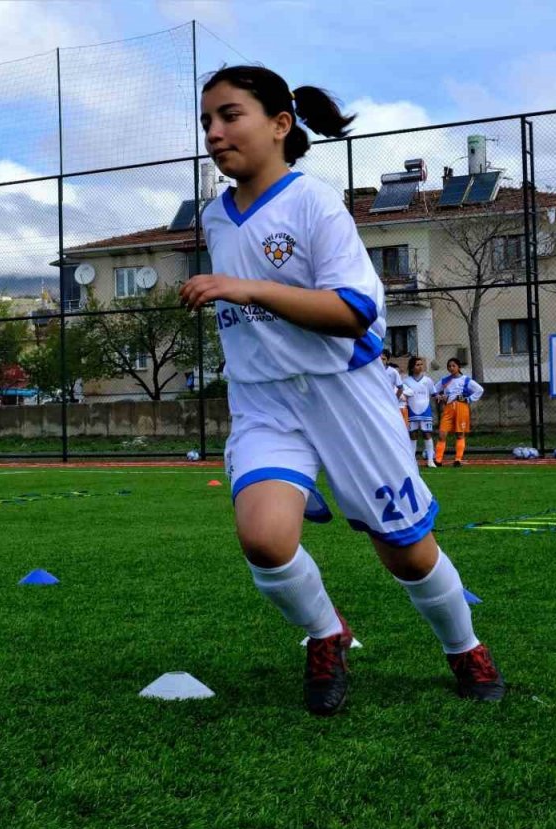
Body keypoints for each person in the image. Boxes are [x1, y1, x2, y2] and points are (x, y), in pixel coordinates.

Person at [179, 65, 504, 715]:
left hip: (345, 394)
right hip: (263, 401)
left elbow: (354, 311)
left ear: (280, 124)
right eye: (207, 121)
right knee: (264, 539)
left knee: (406, 553)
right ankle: (326, 634)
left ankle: (464, 646)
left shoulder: (314, 203)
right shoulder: (215, 217)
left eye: (230, 116)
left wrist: (246, 288)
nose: (214, 132)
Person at [434, 357, 483, 468]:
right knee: (442, 434)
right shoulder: (445, 380)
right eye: (449, 366)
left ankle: (458, 460)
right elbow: (433, 390)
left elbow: (480, 390)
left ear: (458, 367)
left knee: (460, 434)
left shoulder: (466, 380)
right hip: (448, 408)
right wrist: (439, 397)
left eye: (453, 366)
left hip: (461, 407)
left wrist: (468, 399)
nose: (451, 368)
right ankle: (438, 460)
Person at [404, 356, 438, 468]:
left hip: (425, 411)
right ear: (412, 367)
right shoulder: (406, 381)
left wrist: (439, 397)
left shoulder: (427, 380)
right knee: (413, 435)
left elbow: (434, 393)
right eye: (417, 365)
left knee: (427, 434)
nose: (420, 367)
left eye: (421, 364)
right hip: (412, 411)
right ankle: (412, 461)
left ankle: (430, 460)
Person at [380, 350, 408, 427]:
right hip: (377, 400)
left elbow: (400, 388)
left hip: (388, 402)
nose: (381, 361)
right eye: (379, 359)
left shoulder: (393, 372)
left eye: (383, 359)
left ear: (387, 360)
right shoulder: (373, 371)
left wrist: (395, 399)